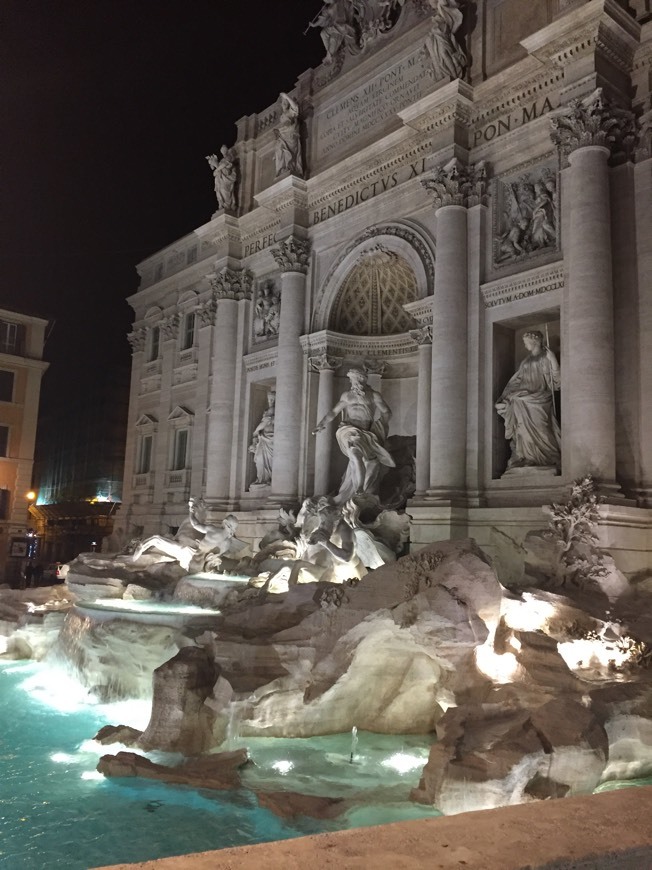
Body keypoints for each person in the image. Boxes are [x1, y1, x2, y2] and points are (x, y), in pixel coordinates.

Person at [312, 368, 395, 503]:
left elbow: (386, 412)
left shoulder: (374, 395)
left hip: (366, 432)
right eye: (351, 379)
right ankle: (360, 487)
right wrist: (321, 424)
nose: (351, 382)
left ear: (361, 379)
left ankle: (359, 488)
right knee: (355, 454)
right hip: (348, 430)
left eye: (353, 379)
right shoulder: (347, 396)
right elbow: (333, 412)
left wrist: (380, 426)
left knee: (364, 458)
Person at [495, 331, 561, 471]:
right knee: (521, 428)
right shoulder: (525, 361)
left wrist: (553, 359)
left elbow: (554, 382)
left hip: (540, 397)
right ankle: (527, 457)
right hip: (522, 397)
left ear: (534, 342)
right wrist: (505, 396)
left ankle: (549, 456)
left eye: (526, 342)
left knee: (542, 427)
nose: (525, 346)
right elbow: (516, 381)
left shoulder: (545, 357)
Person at [249, 391, 275, 486]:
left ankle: (266, 479)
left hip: (270, 438)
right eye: (269, 399)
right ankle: (262, 479)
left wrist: (255, 431)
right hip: (263, 438)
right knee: (260, 459)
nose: (270, 401)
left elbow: (265, 422)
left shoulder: (272, 410)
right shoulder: (268, 410)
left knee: (268, 459)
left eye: (272, 399)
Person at [274, 93, 303, 178]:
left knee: (287, 151)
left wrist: (286, 96)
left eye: (286, 102)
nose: (284, 104)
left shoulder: (290, 111)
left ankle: (289, 166)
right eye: (283, 102)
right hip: (282, 136)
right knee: (279, 149)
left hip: (290, 135)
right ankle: (282, 169)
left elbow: (295, 108)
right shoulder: (282, 116)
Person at [206, 145, 237, 212]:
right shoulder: (221, 160)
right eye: (222, 151)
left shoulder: (228, 157)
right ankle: (221, 204)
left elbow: (224, 165)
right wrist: (211, 162)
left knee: (224, 190)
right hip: (219, 179)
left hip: (226, 179)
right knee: (219, 191)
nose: (223, 152)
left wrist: (217, 169)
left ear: (226, 150)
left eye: (224, 150)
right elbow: (214, 169)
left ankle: (227, 206)